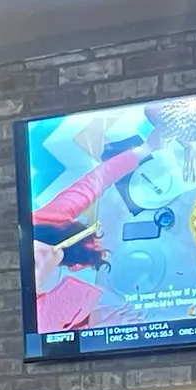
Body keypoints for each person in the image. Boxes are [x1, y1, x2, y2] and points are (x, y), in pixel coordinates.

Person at [31, 136, 156, 331]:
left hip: (138, 250)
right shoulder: (40, 316)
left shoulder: (42, 221)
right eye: (34, 263)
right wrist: (104, 327)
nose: (38, 249)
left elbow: (95, 181)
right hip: (131, 300)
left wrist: (146, 148)